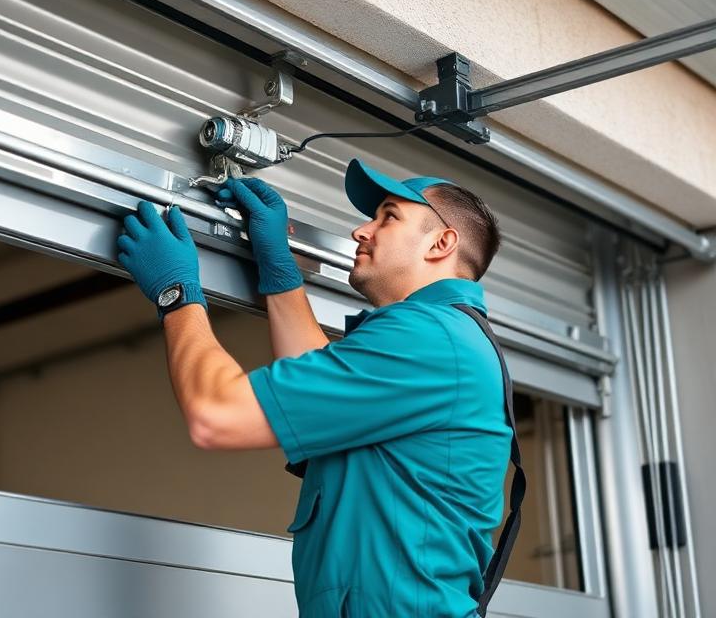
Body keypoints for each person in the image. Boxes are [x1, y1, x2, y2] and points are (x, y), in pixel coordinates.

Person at [116, 157, 516, 618]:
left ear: (441, 243)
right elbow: (314, 386)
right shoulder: (442, 340)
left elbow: (216, 415)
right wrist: (278, 267)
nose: (360, 232)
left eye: (389, 216)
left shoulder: (429, 337)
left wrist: (178, 294)